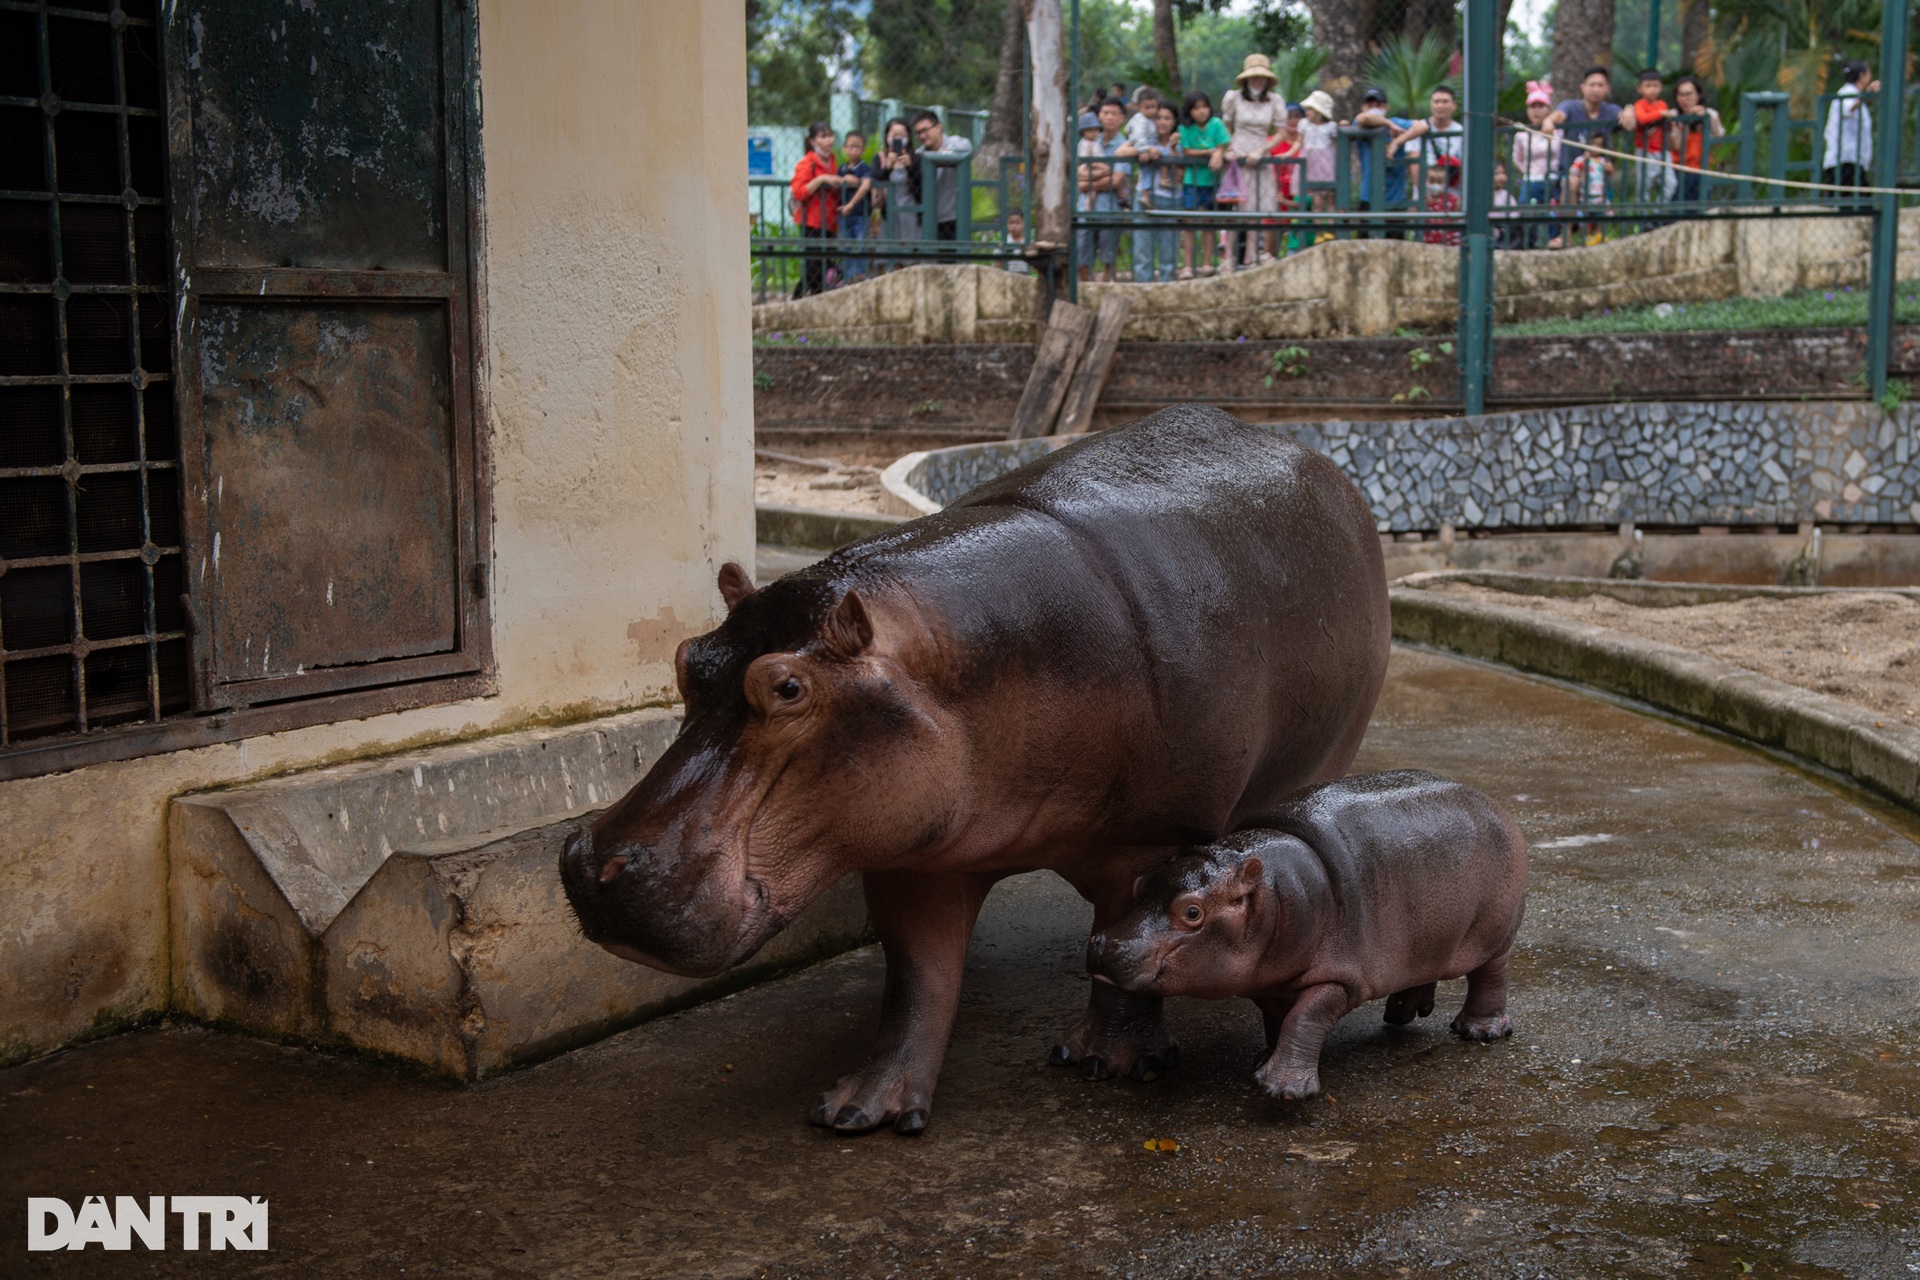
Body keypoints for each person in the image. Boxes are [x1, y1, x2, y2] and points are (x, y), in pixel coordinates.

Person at [1222, 54, 1286, 266]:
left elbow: (1280, 132)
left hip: (1261, 156)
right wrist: (1229, 149)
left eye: (1262, 77)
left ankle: (1252, 254)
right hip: (1237, 156)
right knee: (1234, 207)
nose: (1258, 81)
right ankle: (1228, 257)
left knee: (1257, 209)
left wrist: (1261, 150)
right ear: (1246, 79)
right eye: (1254, 77)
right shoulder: (1234, 98)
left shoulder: (1275, 101)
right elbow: (1226, 127)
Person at [789, 121, 845, 297]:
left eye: (830, 135)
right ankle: (799, 299)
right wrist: (821, 180)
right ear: (813, 141)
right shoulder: (807, 163)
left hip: (829, 222)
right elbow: (798, 192)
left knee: (824, 265)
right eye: (823, 137)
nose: (828, 140)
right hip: (812, 222)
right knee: (814, 265)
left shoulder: (833, 161)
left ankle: (812, 298)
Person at [1077, 102, 1131, 282]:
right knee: (1082, 246)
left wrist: (1088, 183)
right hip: (1085, 205)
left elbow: (1116, 181)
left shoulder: (1124, 145)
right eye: (1105, 112)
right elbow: (1078, 176)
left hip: (1110, 205)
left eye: (1114, 113)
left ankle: (1108, 283)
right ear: (1099, 116)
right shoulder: (1088, 140)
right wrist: (1100, 176)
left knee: (1109, 249)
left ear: (1122, 118)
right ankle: (1085, 288)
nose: (1109, 117)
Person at [1177, 90, 1228, 278]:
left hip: (1212, 182)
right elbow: (1187, 151)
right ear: (1189, 111)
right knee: (1189, 224)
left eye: (1204, 106)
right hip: (1192, 181)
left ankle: (1207, 263)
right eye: (1196, 108)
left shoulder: (1216, 124)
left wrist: (1217, 152)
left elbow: (1223, 145)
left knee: (1209, 223)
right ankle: (1188, 266)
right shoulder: (1185, 128)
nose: (1202, 111)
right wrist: (1210, 152)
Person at [1545, 66, 1623, 185]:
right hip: (1570, 172)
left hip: (1598, 175)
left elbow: (1625, 118)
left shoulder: (1612, 110)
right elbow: (1558, 115)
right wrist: (1548, 121)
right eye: (1592, 85)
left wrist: (1629, 112)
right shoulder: (1570, 107)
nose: (1596, 89)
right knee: (1571, 184)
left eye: (1600, 85)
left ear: (1607, 88)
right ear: (1583, 87)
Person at [1134, 101, 1183, 282]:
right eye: (1158, 118)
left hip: (1170, 199)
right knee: (1142, 249)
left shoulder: (1179, 145)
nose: (1162, 122)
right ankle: (1142, 290)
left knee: (1168, 251)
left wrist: (1170, 150)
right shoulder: (1144, 139)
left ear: (1174, 121)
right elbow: (1122, 151)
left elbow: (1178, 176)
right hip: (1144, 197)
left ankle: (1167, 288)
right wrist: (1143, 151)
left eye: (1167, 118)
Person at [1511, 81, 1563, 247]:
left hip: (1552, 179)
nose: (1536, 110)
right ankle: (1526, 244)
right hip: (1530, 180)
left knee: (1552, 214)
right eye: (1533, 106)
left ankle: (1552, 242)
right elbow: (1517, 158)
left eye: (1541, 106)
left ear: (1548, 109)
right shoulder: (1522, 135)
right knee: (1525, 214)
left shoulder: (1559, 131)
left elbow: (1561, 153)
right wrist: (1530, 171)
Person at [1391, 84, 1465, 199]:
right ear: (1431, 104)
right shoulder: (1418, 129)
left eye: (1445, 101)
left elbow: (1465, 165)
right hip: (1425, 196)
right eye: (1436, 101)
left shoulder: (1461, 131)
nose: (1440, 105)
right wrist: (1422, 194)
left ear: (1454, 105)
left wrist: (1461, 198)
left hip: (1453, 196)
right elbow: (1414, 163)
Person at [910, 109, 974, 241]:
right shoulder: (919, 154)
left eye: (925, 130)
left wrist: (944, 155)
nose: (922, 136)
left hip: (953, 218)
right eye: (918, 133)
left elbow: (967, 147)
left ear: (938, 127)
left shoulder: (955, 143)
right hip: (928, 219)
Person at [1353, 86, 1414, 216]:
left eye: (1378, 105)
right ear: (1363, 107)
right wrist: (1389, 125)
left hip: (1395, 198)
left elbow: (1423, 126)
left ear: (1386, 107)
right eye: (1370, 105)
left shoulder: (1398, 123)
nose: (1374, 109)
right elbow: (1364, 118)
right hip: (1368, 198)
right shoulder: (1359, 125)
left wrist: (1396, 142)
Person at [1823, 60, 1877, 200]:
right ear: (1862, 76)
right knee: (1861, 203)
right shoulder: (1845, 94)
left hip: (1852, 161)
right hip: (1844, 162)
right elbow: (1848, 108)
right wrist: (1867, 94)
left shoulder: (1854, 95)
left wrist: (1868, 97)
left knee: (1850, 203)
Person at [1667, 75, 1724, 203]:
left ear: (1698, 95)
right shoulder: (1674, 116)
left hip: (1702, 169)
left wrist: (1705, 120)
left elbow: (1718, 142)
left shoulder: (1710, 114)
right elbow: (1677, 147)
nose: (1684, 99)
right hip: (1679, 170)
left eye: (1689, 94)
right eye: (1680, 95)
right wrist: (1687, 120)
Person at [1628, 69, 1674, 207]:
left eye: (1655, 86)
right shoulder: (1639, 105)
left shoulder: (1662, 104)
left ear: (1660, 87)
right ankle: (1642, 216)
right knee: (1645, 186)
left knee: (1671, 184)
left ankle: (1657, 213)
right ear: (1640, 89)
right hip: (1645, 151)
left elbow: (1668, 124)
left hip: (1662, 151)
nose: (1652, 89)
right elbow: (1642, 119)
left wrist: (1664, 115)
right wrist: (1660, 114)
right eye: (1648, 86)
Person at [837, 130, 876, 281]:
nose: (854, 150)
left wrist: (851, 204)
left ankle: (860, 274)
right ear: (844, 148)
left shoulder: (865, 168)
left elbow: (866, 186)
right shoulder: (841, 169)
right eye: (850, 146)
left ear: (863, 149)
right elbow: (836, 183)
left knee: (861, 245)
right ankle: (846, 276)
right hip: (844, 214)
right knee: (845, 245)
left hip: (860, 213)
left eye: (857, 147)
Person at [1564, 130, 1613, 245]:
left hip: (1600, 196)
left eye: (1599, 145)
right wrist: (1584, 161)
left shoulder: (1603, 161)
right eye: (1592, 144)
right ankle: (1587, 236)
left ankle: (1599, 234)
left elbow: (1610, 174)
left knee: (1603, 214)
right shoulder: (1581, 159)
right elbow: (1573, 171)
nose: (1595, 148)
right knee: (1586, 218)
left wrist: (1610, 169)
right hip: (1586, 196)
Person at [875, 116, 919, 243]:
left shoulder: (916, 158)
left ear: (909, 137)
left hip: (911, 212)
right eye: (894, 135)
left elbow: (922, 185)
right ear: (887, 136)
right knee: (890, 255)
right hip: (889, 213)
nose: (898, 138)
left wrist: (910, 167)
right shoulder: (880, 158)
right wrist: (888, 168)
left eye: (902, 135)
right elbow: (876, 181)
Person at [1299, 89, 1339, 227]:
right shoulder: (1304, 124)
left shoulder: (1331, 127)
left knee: (1330, 199)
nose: (1307, 111)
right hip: (1311, 165)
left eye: (1310, 109)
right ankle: (1319, 231)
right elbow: (1299, 143)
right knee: (1317, 200)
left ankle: (1331, 229)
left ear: (1318, 111)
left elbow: (1335, 146)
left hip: (1327, 165)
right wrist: (1288, 154)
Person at [1423, 157, 1461, 246]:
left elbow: (1459, 211)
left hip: (1448, 243)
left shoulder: (1452, 199)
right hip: (1427, 244)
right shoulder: (1423, 200)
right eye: (1431, 181)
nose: (1435, 185)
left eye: (1440, 182)